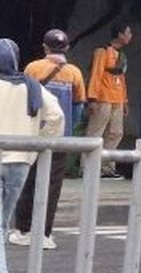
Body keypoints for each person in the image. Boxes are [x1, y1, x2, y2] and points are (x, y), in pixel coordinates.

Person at [10, 30, 85, 251]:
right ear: (67, 48)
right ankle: (43, 233)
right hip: (61, 138)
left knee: (28, 181)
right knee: (52, 186)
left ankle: (22, 230)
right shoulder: (74, 73)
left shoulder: (33, 68)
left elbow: (26, 99)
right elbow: (78, 107)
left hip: (34, 136)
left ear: (45, 48)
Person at [0, 38, 63, 273]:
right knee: (3, 223)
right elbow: (56, 116)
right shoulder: (32, 86)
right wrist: (40, 142)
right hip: (21, 162)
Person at [85, 24, 131, 178]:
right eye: (128, 32)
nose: (130, 36)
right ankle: (88, 167)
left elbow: (122, 79)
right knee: (96, 133)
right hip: (103, 97)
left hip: (117, 98)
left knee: (116, 133)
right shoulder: (102, 52)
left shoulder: (122, 56)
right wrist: (92, 98)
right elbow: (96, 75)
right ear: (120, 34)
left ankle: (106, 167)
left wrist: (124, 100)